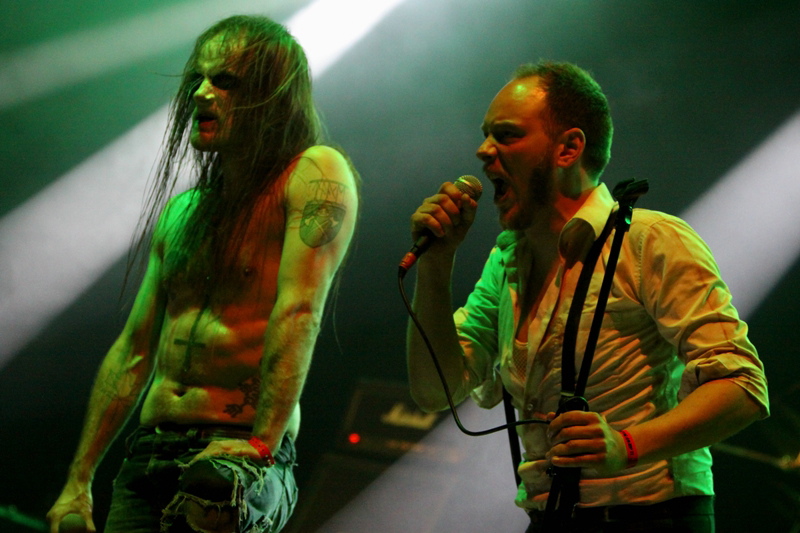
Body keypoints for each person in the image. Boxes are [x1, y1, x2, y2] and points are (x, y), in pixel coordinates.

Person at [405, 61, 768, 532]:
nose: (483, 151)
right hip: (549, 518)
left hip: (652, 517)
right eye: (486, 135)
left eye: (507, 135)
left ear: (568, 148)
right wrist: (435, 267)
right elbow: (434, 392)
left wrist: (627, 445)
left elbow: (741, 386)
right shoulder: (506, 262)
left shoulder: (648, 240)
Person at [47, 15, 359, 533]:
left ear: (270, 98)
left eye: (225, 81)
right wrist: (78, 479)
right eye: (199, 78)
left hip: (233, 454)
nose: (200, 93)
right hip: (148, 455)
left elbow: (299, 311)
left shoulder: (313, 173)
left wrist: (261, 448)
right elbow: (134, 349)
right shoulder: (182, 211)